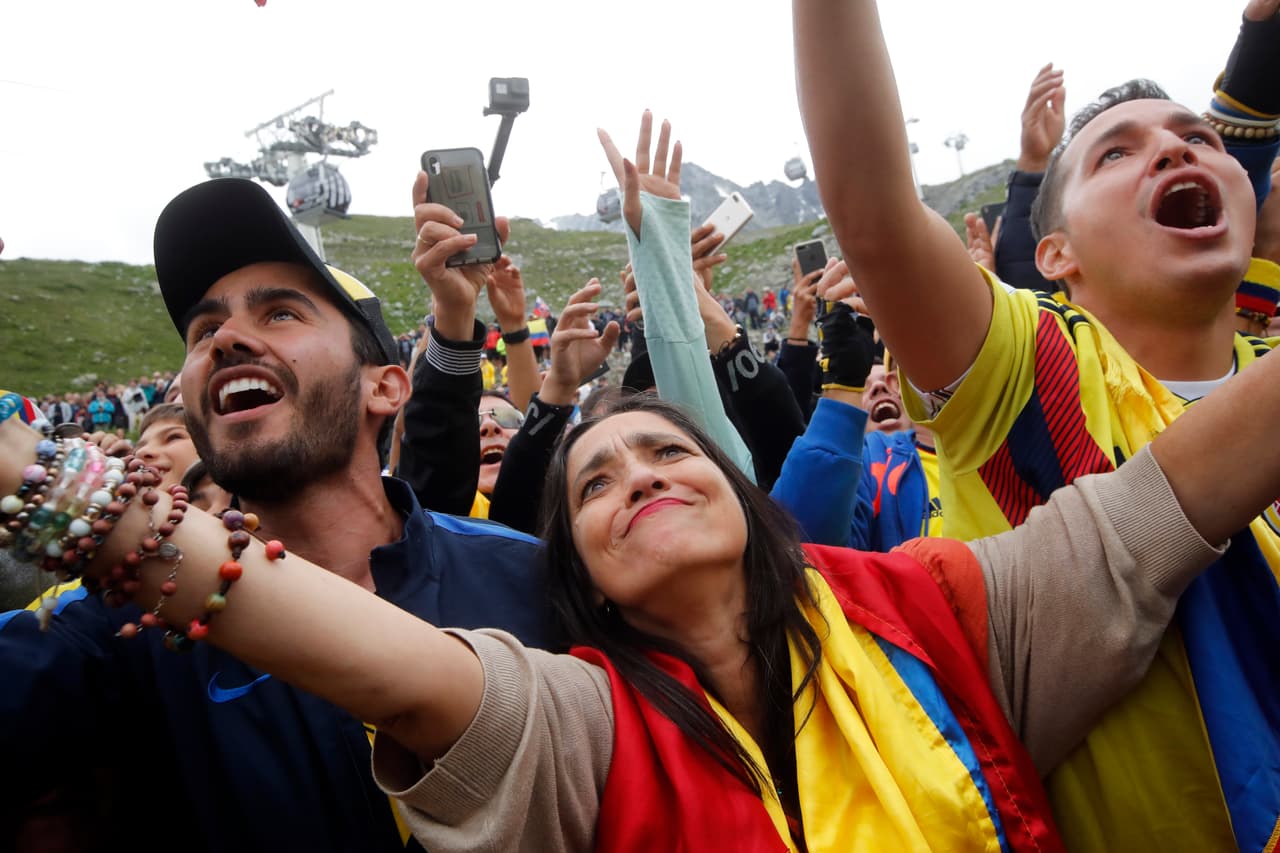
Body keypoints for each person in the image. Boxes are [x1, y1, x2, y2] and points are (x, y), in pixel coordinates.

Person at [9, 318, 1280, 848]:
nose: (636, 476)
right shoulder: (564, 725)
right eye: (594, 481)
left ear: (741, 495)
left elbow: (1171, 495)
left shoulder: (943, 614)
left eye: (668, 449)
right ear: (580, 577)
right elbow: (271, 599)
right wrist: (31, 471)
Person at [794, 0, 1280, 847]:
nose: (1174, 148)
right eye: (1117, 153)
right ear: (1055, 255)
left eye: (1200, 139)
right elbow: (873, 216)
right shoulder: (1024, 364)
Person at [0, 176, 555, 851]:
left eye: (281, 313)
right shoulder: (121, 627)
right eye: (204, 329)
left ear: (384, 386)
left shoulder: (528, 574)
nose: (226, 339)